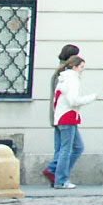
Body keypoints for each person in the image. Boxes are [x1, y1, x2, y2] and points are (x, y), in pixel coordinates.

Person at [50, 54, 95, 189]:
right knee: (67, 149)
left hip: (60, 117)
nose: (82, 70)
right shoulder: (73, 79)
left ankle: (59, 176)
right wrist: (91, 98)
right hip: (68, 117)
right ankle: (61, 179)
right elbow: (73, 100)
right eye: (81, 67)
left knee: (71, 148)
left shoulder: (63, 78)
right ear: (74, 67)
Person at [41, 45, 79, 187]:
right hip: (65, 115)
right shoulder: (66, 74)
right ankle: (58, 175)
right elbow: (68, 97)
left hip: (58, 115)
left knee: (64, 147)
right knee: (68, 148)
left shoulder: (58, 72)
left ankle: (56, 174)